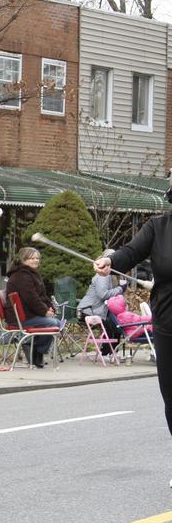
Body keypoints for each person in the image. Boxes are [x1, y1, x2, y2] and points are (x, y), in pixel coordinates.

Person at [95, 201, 172, 486]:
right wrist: (112, 261)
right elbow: (131, 251)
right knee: (171, 397)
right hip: (167, 321)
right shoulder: (158, 227)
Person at [5, 246, 62, 368]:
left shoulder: (32, 274)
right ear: (23, 260)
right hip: (21, 318)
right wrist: (44, 312)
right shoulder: (21, 276)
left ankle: (33, 347)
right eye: (31, 258)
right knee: (54, 323)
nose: (35, 260)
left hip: (30, 313)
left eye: (37, 258)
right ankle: (37, 352)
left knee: (55, 322)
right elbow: (30, 298)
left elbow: (42, 295)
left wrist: (49, 307)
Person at [77, 249, 126, 356]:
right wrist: (120, 289)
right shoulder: (102, 276)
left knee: (117, 325)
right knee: (110, 326)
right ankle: (106, 353)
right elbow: (103, 295)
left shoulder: (111, 275)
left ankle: (112, 352)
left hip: (99, 310)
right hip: (88, 310)